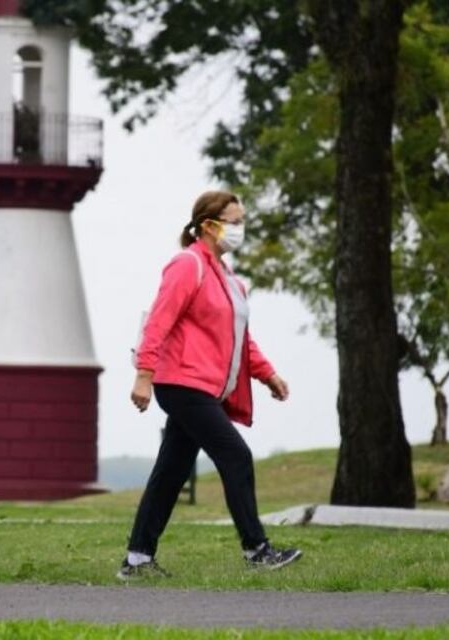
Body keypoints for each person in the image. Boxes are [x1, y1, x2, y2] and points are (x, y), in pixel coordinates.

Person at [117, 190, 303, 580]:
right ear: (209, 225)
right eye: (234, 222)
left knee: (170, 472)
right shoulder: (187, 266)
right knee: (235, 456)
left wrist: (268, 375)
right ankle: (257, 549)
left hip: (205, 388)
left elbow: (240, 339)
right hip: (182, 383)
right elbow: (159, 322)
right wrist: (143, 376)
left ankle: (137, 560)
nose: (240, 229)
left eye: (242, 221)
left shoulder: (230, 280)